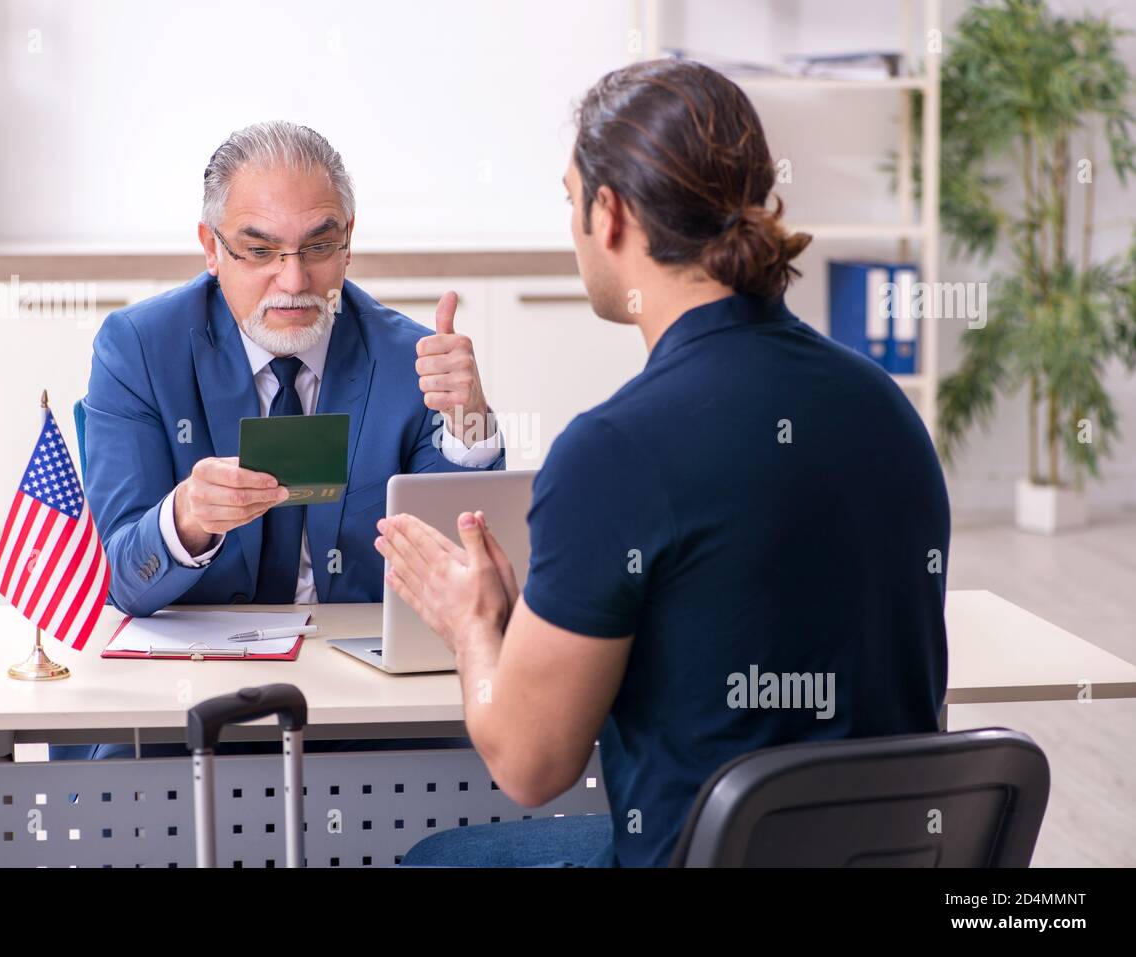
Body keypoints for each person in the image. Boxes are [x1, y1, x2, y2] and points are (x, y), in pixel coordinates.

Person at [376, 58, 950, 867]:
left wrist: (474, 624)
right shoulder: (887, 407)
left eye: (571, 202)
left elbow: (529, 763)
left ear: (608, 214)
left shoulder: (614, 451)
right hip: (882, 856)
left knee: (437, 859)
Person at [54, 121, 504, 760]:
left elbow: (467, 572)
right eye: (260, 251)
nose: (293, 282)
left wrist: (469, 423)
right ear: (211, 249)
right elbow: (124, 578)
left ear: (348, 242)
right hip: (189, 695)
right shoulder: (139, 349)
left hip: (367, 694)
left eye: (316, 247)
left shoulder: (413, 357)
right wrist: (185, 518)